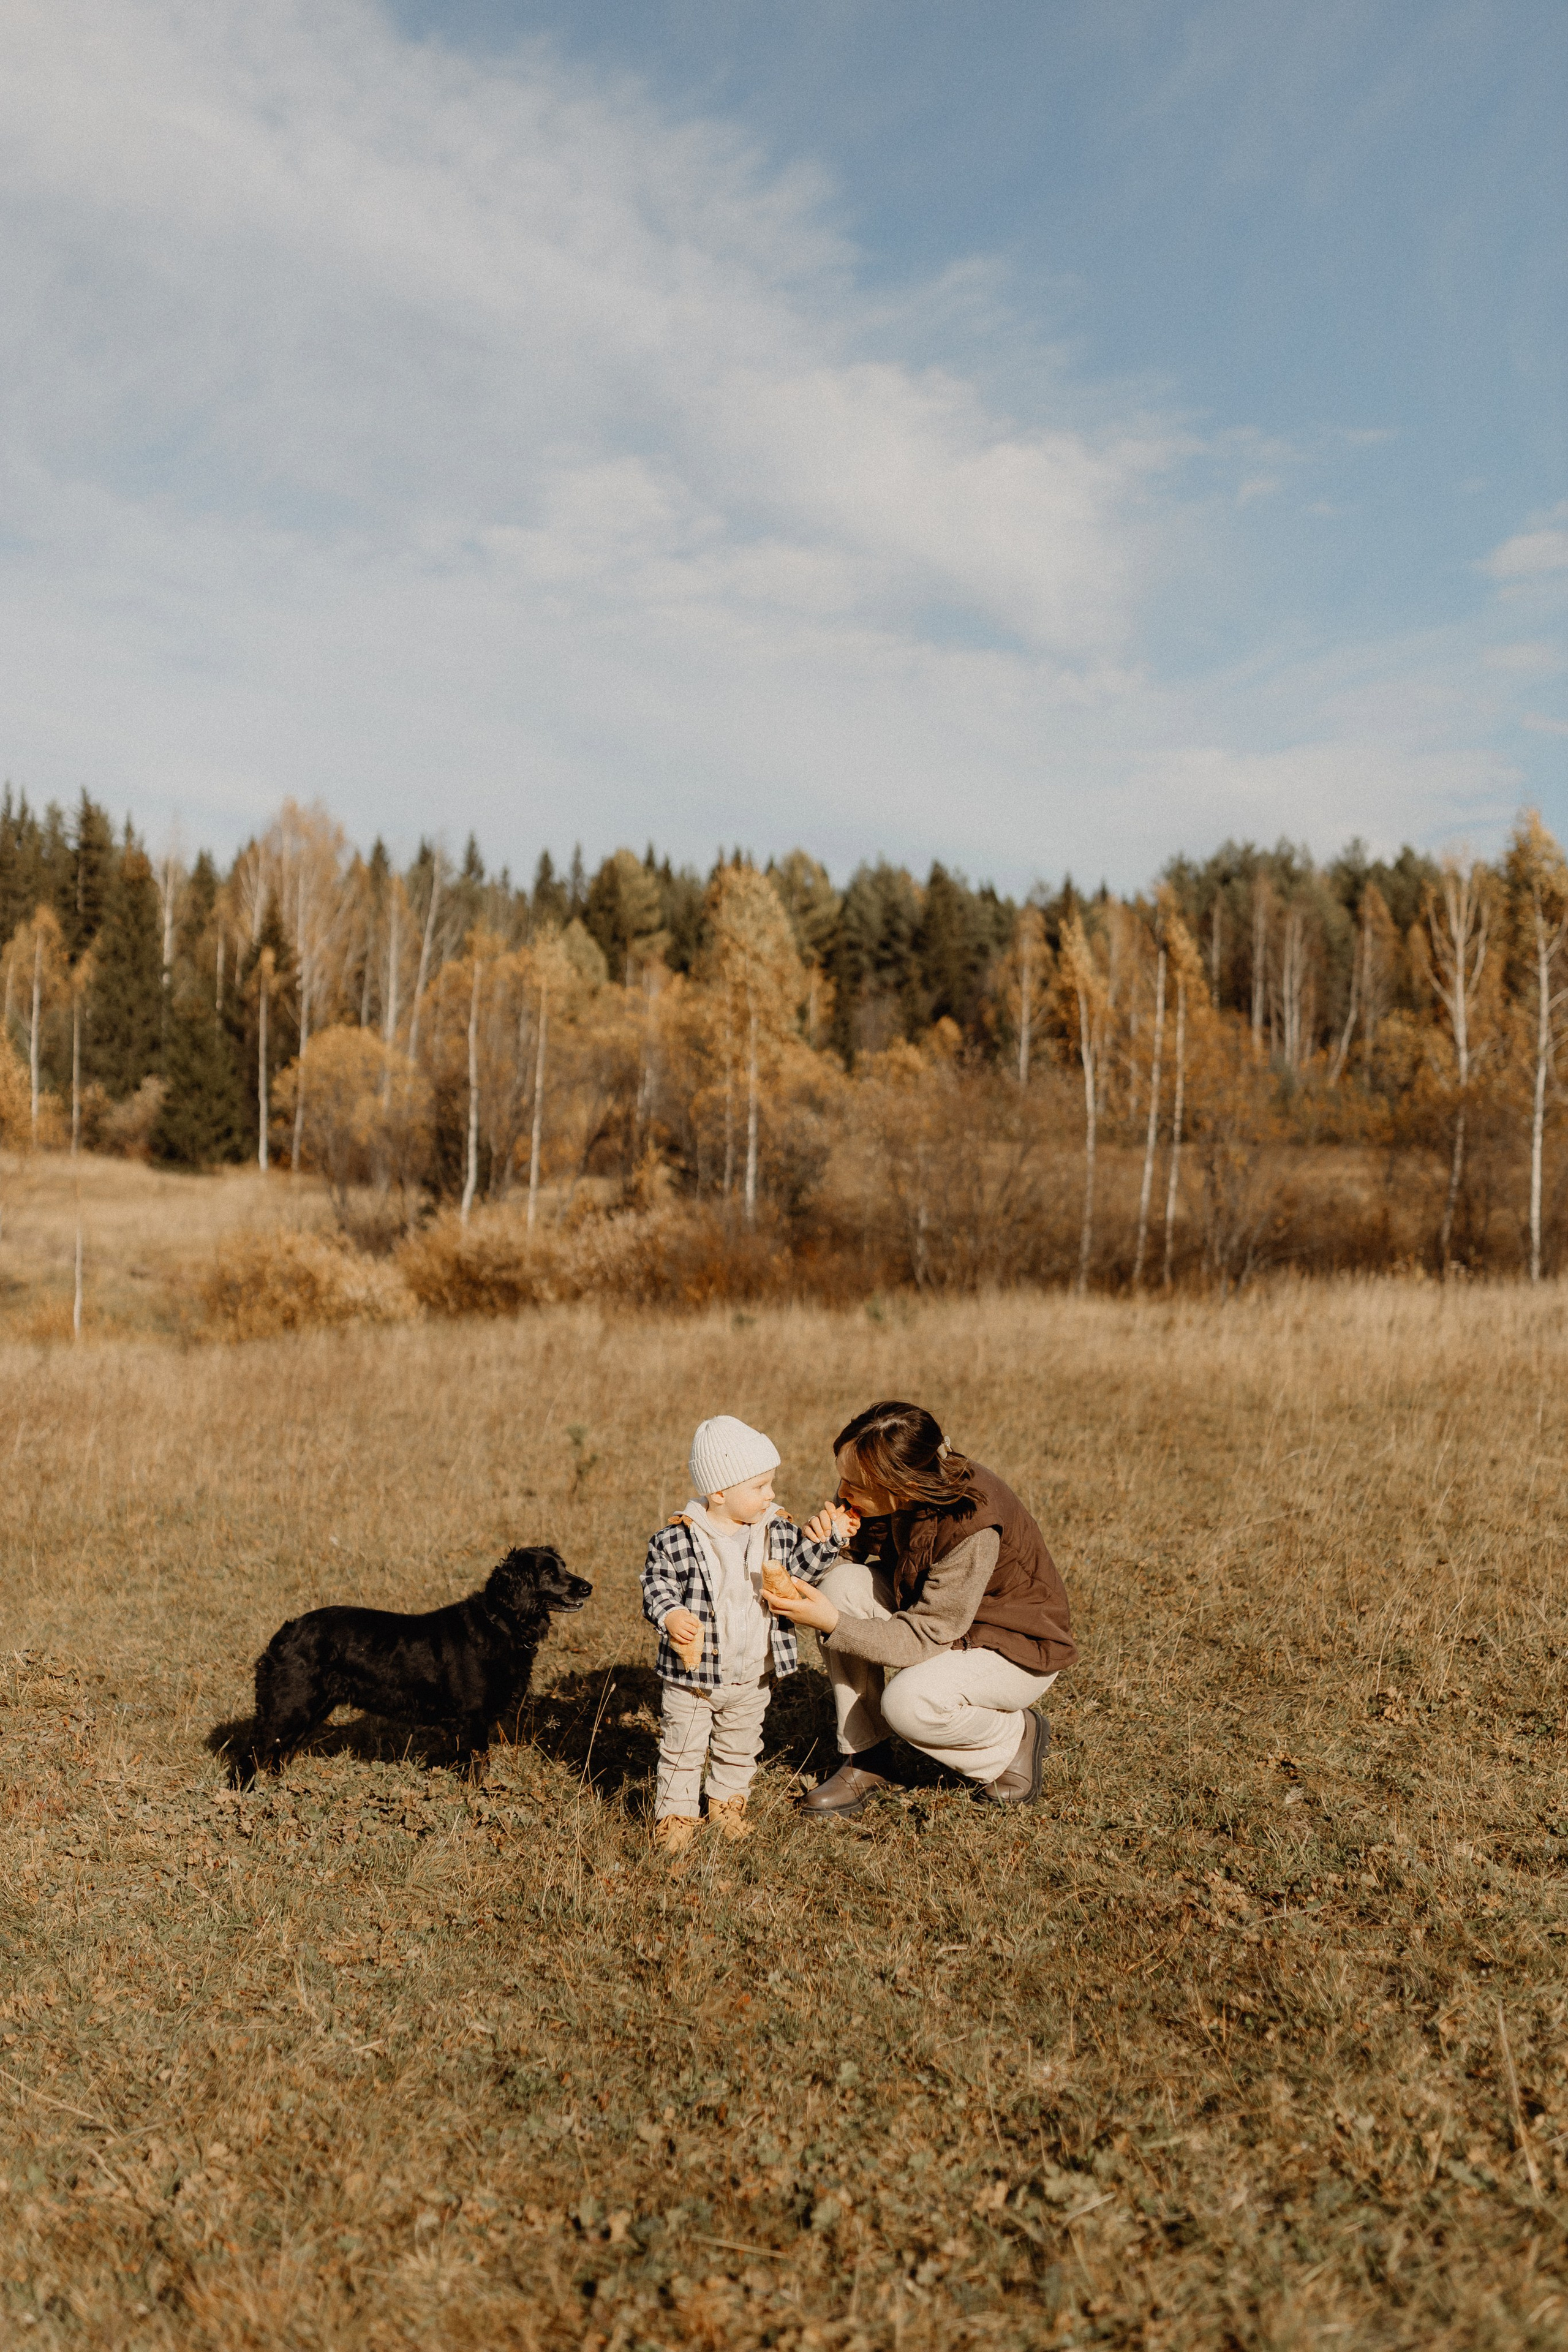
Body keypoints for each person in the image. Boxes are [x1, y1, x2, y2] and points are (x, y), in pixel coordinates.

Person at [767, 1400, 1076, 1816]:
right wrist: (824, 1546)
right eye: (842, 1478)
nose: (842, 1493)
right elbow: (838, 1567)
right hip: (939, 1615)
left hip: (1013, 1646)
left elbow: (926, 1635)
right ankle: (866, 1757)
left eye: (853, 1484)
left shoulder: (972, 1524)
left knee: (908, 1703)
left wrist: (833, 1624)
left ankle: (1014, 1739)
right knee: (839, 1585)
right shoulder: (889, 1490)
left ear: (900, 1487)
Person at [641, 1414, 848, 1856]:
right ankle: (676, 1816)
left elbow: (798, 1572)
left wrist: (829, 1540)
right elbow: (656, 1584)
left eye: (770, 1484)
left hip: (753, 1671)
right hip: (693, 1678)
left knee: (740, 1745)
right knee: (682, 1748)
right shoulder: (678, 1539)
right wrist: (672, 1614)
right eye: (759, 1487)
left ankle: (727, 1805)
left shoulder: (776, 1529)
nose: (770, 1494)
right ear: (719, 1493)